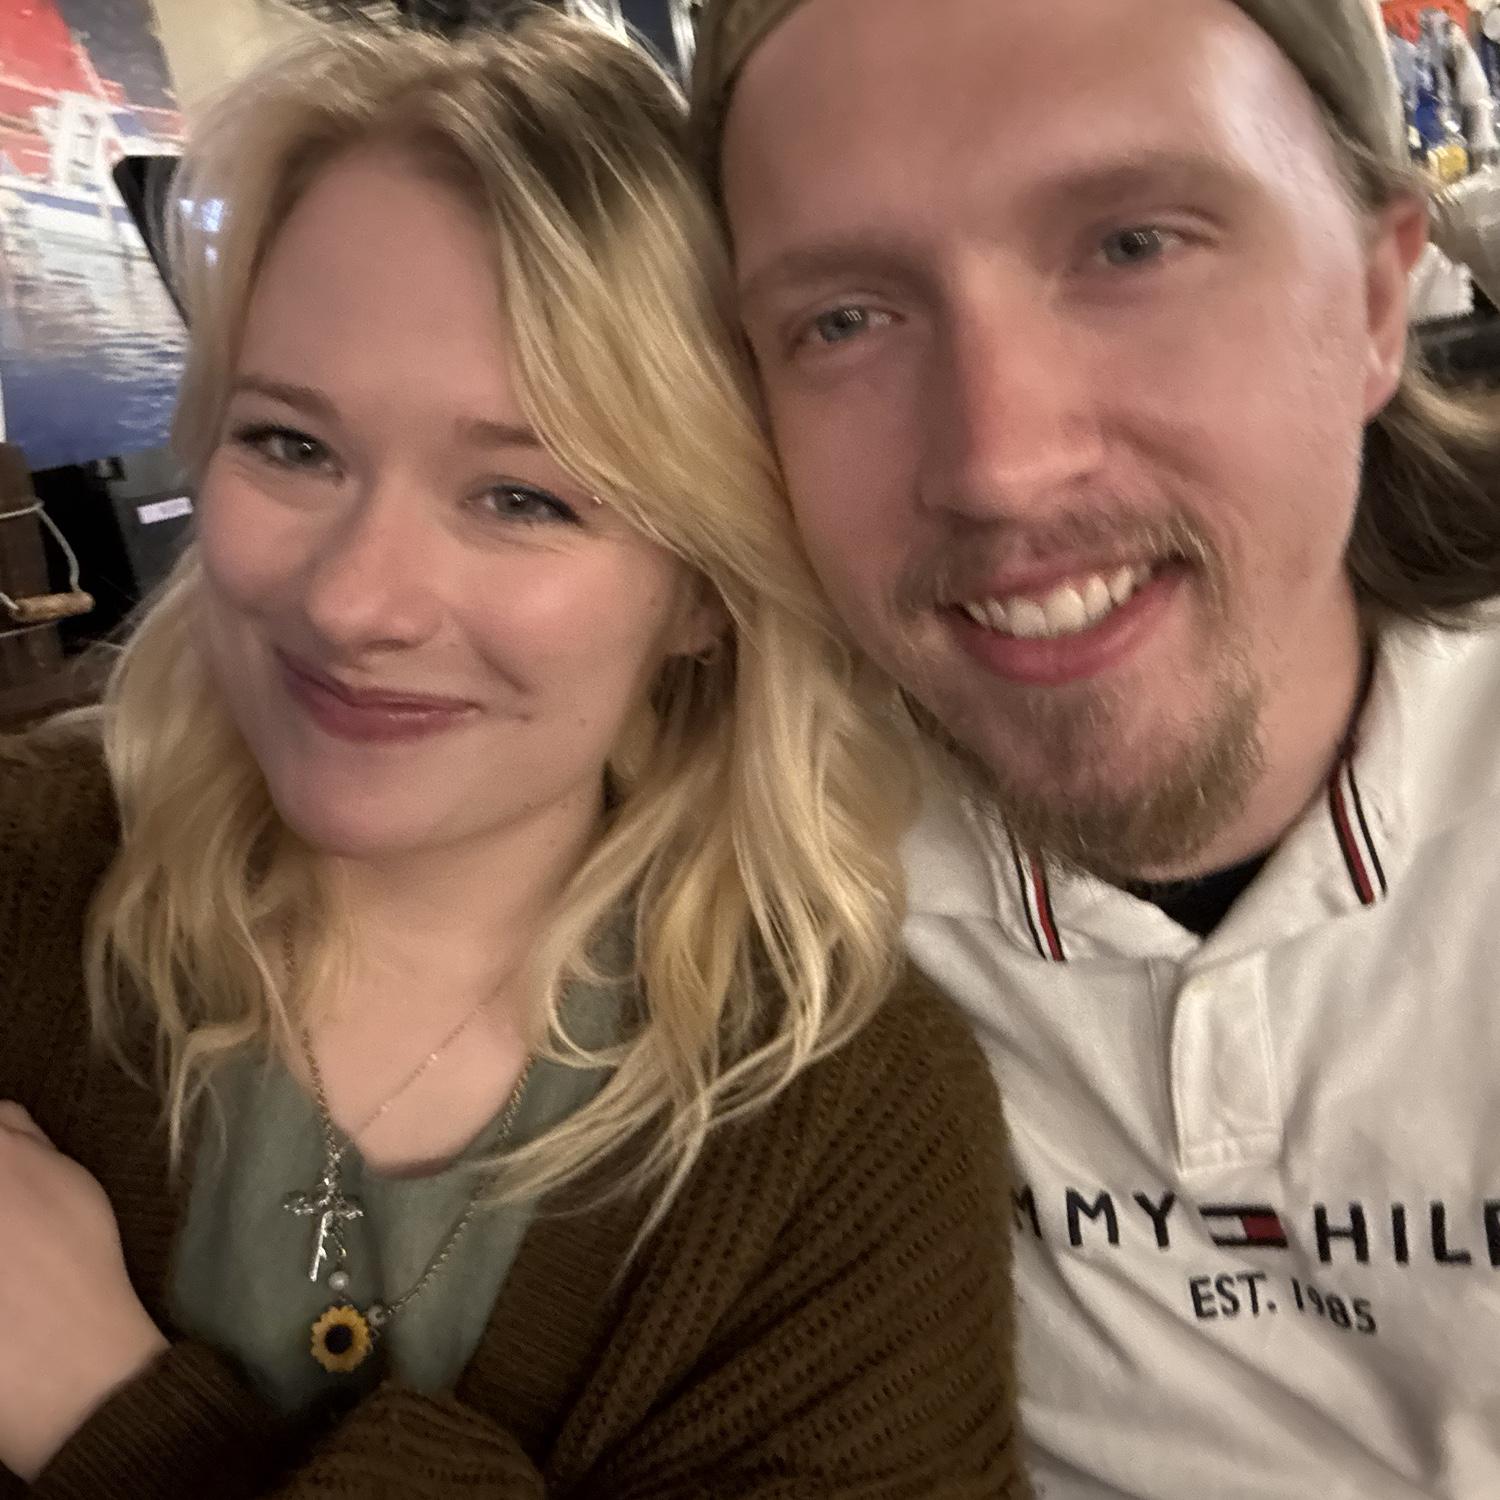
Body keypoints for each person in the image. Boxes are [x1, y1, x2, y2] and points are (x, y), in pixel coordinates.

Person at [0, 13, 1029, 1497]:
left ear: (703, 590)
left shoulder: (844, 1137)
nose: (354, 603)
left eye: (522, 499)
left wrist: (123, 1421)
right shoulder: (31, 879)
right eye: (291, 445)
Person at [693, 0, 1500, 1494]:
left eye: (1133, 245)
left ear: (1379, 302)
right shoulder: (726, 881)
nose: (999, 465)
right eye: (844, 320)